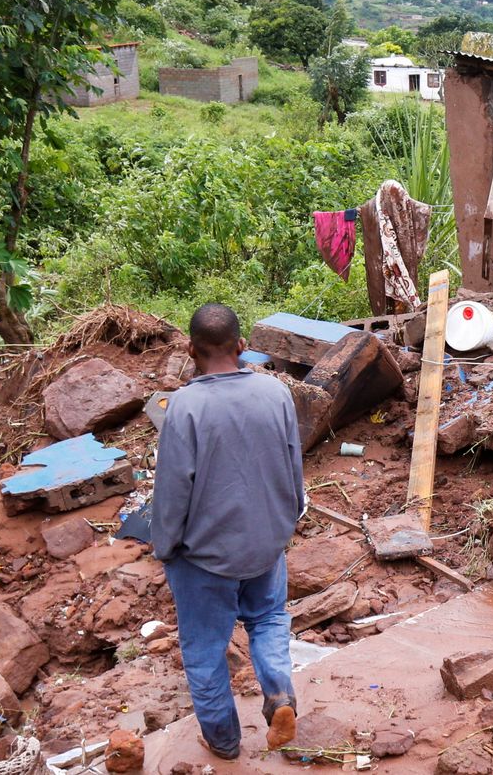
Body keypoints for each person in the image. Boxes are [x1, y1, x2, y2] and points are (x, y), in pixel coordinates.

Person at [152, 303, 306, 759]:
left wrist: (166, 547)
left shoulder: (183, 407)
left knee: (204, 650)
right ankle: (279, 695)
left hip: (206, 557)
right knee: (269, 618)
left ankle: (223, 741)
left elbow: (174, 489)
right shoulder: (275, 393)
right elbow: (293, 465)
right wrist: (284, 522)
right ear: (241, 346)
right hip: (266, 543)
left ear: (190, 349)